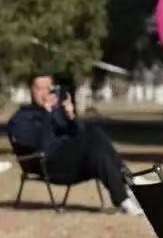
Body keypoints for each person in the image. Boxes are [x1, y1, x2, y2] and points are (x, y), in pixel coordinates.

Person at [6, 73, 142, 215]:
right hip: (48, 166)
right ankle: (128, 182)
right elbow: (43, 146)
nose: (45, 93)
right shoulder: (21, 119)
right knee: (92, 135)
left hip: (72, 164)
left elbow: (78, 134)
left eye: (48, 88)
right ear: (31, 90)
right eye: (39, 88)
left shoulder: (57, 112)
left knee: (94, 140)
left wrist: (71, 116)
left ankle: (124, 198)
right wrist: (47, 114)